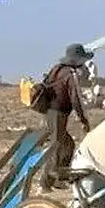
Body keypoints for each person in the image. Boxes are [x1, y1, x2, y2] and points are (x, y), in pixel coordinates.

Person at [40, 44, 93, 191]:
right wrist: (84, 120)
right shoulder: (70, 74)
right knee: (57, 146)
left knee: (67, 144)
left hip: (50, 112)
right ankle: (46, 182)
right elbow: (76, 100)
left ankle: (59, 177)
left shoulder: (57, 69)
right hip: (57, 113)